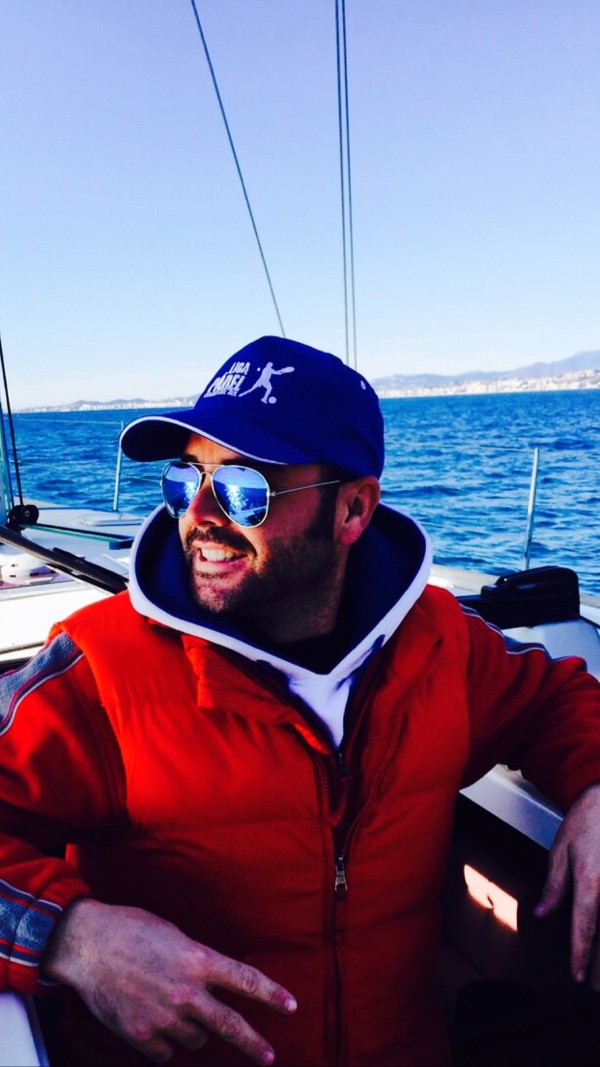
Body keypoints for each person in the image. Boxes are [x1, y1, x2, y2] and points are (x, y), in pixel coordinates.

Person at [1, 335, 600, 1067]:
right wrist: (72, 935)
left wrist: (595, 786)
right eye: (186, 478)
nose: (200, 515)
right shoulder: (99, 671)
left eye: (244, 486)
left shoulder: (440, 642)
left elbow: (557, 697)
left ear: (353, 511)